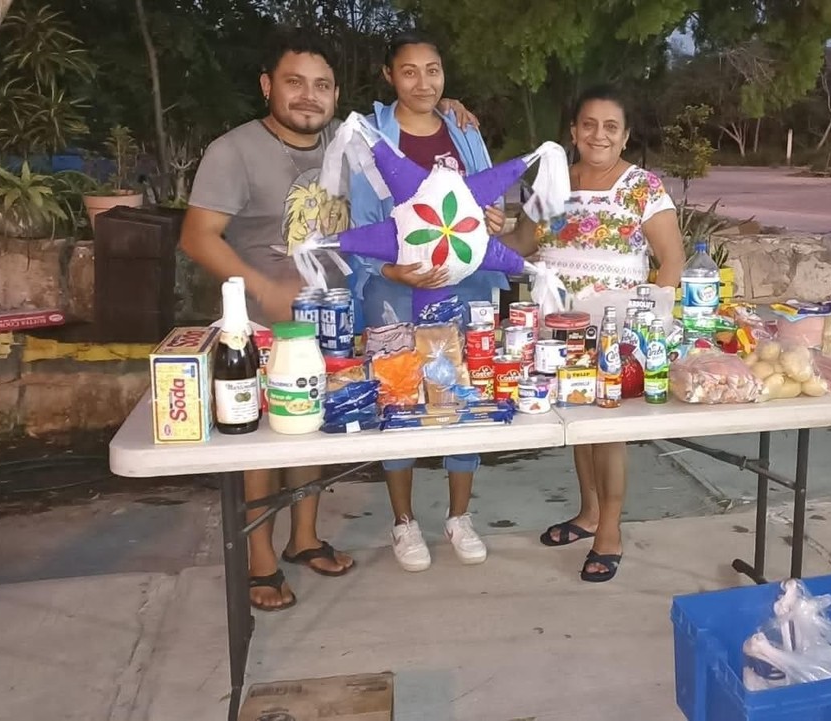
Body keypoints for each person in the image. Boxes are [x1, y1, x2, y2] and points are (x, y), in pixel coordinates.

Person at [180, 28, 477, 610]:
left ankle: (305, 537)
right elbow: (197, 236)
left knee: (310, 433)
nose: (308, 97)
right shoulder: (234, 150)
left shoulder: (353, 141)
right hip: (264, 327)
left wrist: (446, 107)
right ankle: (260, 560)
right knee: (264, 447)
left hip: (333, 322)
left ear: (337, 93)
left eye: (321, 86)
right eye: (294, 83)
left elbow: (409, 131)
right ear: (268, 86)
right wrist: (265, 289)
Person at [349, 31, 516, 573]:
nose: (424, 82)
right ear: (389, 76)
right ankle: (403, 522)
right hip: (396, 289)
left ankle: (459, 516)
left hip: (462, 286)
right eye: (409, 71)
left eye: (434, 70)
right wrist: (388, 269)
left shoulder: (463, 131)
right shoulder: (372, 137)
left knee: (461, 390)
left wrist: (497, 222)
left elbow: (488, 205)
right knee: (399, 393)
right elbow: (360, 219)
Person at [505, 85, 685, 582]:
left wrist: (648, 327)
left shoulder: (642, 187)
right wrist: (484, 230)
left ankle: (611, 529)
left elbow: (671, 260)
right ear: (573, 131)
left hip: (618, 333)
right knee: (580, 428)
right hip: (558, 328)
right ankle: (587, 514)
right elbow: (521, 243)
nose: (598, 134)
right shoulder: (552, 185)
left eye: (610, 126)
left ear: (625, 134)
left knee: (609, 434)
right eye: (588, 124)